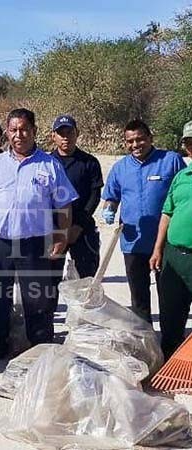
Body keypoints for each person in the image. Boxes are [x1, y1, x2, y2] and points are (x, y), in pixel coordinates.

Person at [0, 108, 78, 364]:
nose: (19, 135)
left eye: (24, 129)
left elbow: (64, 205)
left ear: (34, 131)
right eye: (14, 129)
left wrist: (61, 237)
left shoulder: (50, 165)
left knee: (37, 299)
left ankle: (40, 351)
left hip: (35, 244)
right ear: (7, 132)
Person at [101, 120, 186, 323]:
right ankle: (144, 341)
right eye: (130, 141)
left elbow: (184, 189)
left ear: (150, 138)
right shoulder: (120, 168)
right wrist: (109, 210)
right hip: (133, 243)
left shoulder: (171, 160)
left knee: (169, 297)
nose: (135, 145)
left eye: (140, 139)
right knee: (139, 299)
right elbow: (111, 197)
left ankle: (169, 342)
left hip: (166, 242)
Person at [48, 115, 103, 281]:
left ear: (77, 133)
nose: (65, 137)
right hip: (53, 229)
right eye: (61, 133)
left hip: (81, 228)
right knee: (50, 281)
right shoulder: (46, 163)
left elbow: (94, 195)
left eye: (69, 132)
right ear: (53, 136)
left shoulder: (89, 162)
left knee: (86, 280)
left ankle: (85, 308)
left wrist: (78, 225)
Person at [151, 159, 192, 356]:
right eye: (190, 143)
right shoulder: (181, 176)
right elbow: (167, 213)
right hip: (174, 255)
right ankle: (169, 361)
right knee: (171, 315)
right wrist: (158, 248)